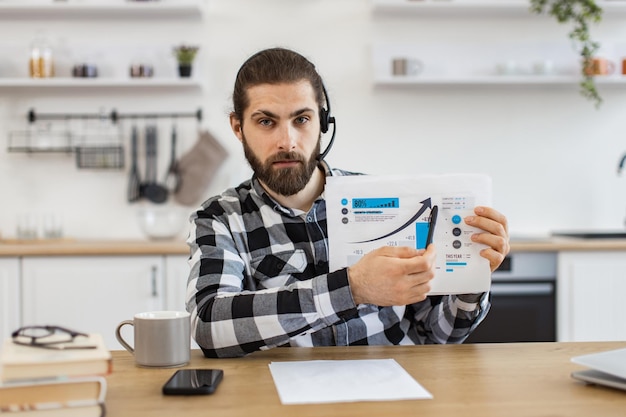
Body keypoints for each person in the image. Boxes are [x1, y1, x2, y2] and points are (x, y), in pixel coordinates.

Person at [186, 47, 510, 358]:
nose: (287, 141)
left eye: (301, 119)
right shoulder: (219, 218)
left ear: (322, 123)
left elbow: (439, 334)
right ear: (237, 127)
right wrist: (353, 287)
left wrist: (471, 278)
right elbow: (208, 327)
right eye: (266, 122)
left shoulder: (383, 197)